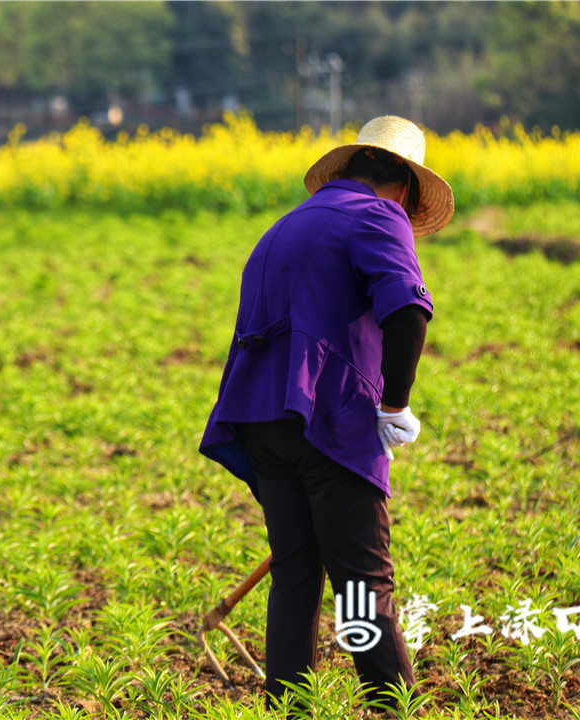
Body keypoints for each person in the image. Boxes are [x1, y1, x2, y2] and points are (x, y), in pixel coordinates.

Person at [199, 116, 454, 709]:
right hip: (327, 419)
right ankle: (394, 707)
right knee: (365, 585)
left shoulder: (285, 225)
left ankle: (289, 706)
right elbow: (408, 310)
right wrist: (394, 405)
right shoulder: (378, 214)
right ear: (404, 186)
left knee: (295, 572)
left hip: (261, 419)